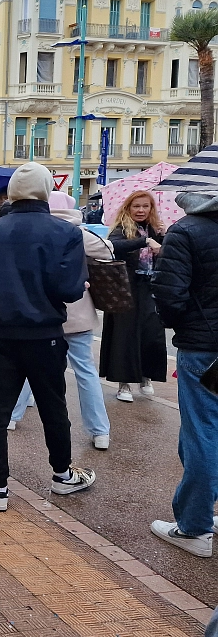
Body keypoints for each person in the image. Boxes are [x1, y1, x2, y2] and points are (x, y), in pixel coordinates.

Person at [0, 163, 95, 511]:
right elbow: (68, 289)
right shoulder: (65, 233)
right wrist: (79, 284)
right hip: (46, 335)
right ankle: (62, 476)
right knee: (53, 406)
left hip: (0, 336)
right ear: (46, 190)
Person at [6, 192, 113, 451]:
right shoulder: (76, 232)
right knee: (85, 372)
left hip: (40, 313)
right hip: (76, 313)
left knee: (29, 366)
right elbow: (108, 250)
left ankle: (12, 416)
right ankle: (100, 431)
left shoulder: (30, 229)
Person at [149, 190, 218, 561]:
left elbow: (170, 295)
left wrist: (175, 321)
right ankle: (206, 506)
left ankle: (194, 526)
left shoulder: (186, 231)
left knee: (202, 431)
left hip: (204, 347)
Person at [99, 191, 168, 402]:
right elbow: (113, 246)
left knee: (152, 333)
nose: (141, 210)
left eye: (145, 206)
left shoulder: (156, 229)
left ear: (151, 208)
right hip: (125, 288)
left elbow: (169, 255)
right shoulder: (122, 229)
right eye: (136, 206)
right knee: (125, 335)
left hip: (150, 286)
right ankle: (124, 384)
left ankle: (146, 376)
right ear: (128, 208)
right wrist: (144, 241)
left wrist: (165, 238)